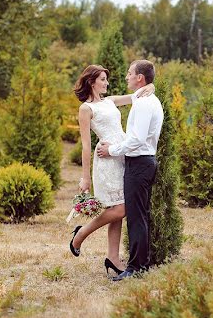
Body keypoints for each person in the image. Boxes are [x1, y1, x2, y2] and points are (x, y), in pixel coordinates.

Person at [69, 64, 154, 278]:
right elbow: (86, 145)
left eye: (107, 79)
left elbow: (136, 95)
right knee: (119, 209)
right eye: (103, 79)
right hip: (106, 159)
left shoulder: (110, 101)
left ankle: (113, 257)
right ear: (91, 81)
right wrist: (85, 177)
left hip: (122, 157)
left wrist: (150, 87)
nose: (107, 83)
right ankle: (80, 235)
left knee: (117, 210)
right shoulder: (86, 109)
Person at [97, 59, 163, 281]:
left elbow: (136, 140)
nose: (126, 77)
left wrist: (112, 150)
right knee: (140, 216)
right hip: (143, 162)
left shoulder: (145, 103)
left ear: (139, 78)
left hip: (140, 163)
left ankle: (135, 268)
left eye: (129, 73)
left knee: (136, 218)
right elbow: (120, 100)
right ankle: (141, 264)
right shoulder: (145, 97)